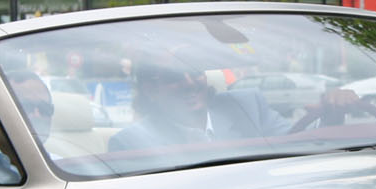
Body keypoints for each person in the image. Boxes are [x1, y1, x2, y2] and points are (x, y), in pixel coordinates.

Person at [109, 52, 290, 153]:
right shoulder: (130, 143)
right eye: (174, 77)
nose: (189, 83)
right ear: (151, 90)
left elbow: (298, 146)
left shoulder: (248, 105)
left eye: (195, 71)